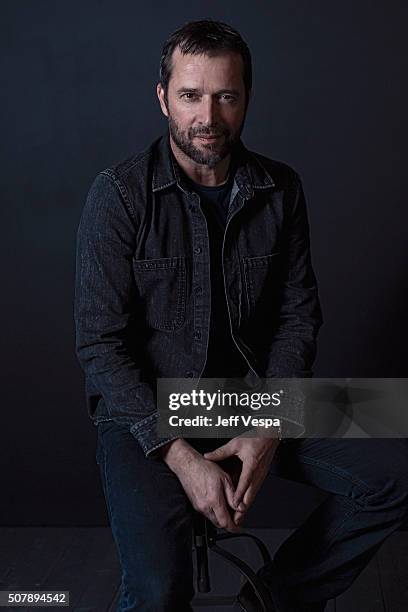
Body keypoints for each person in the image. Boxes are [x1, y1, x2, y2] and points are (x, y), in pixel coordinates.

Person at [74, 19, 408, 612]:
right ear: (162, 98)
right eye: (190, 95)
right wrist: (177, 453)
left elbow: (298, 316)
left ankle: (274, 596)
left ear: (247, 97)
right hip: (146, 409)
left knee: (403, 448)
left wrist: (269, 421)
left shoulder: (282, 188)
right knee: (155, 592)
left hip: (249, 396)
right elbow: (100, 346)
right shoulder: (118, 193)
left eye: (225, 96)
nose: (208, 115)